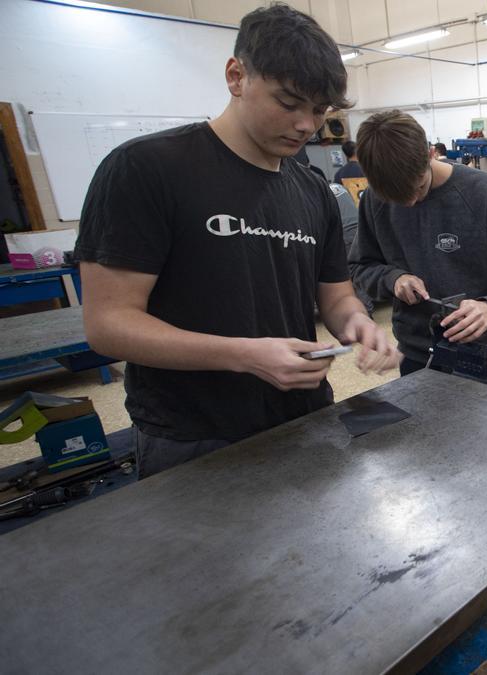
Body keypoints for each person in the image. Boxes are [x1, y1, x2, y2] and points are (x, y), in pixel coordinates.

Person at [75, 3, 398, 479]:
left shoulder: (312, 190)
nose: (307, 125)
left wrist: (359, 325)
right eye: (289, 104)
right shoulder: (146, 170)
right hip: (192, 436)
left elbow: (337, 296)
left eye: (319, 110)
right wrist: (245, 355)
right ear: (236, 75)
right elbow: (108, 324)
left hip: (303, 416)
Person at [349, 110, 487, 375]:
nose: (409, 203)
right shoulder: (374, 200)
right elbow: (360, 267)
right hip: (416, 356)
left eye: (417, 188)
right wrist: (393, 279)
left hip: (485, 355)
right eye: (396, 198)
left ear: (431, 154)